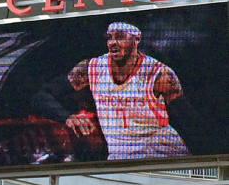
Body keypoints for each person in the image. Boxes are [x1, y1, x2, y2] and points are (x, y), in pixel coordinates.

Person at [65, 22, 190, 160]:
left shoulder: (158, 73)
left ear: (136, 40)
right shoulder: (92, 68)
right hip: (120, 156)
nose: (112, 43)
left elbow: (188, 120)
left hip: (160, 154)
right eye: (109, 37)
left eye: (120, 37)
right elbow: (44, 95)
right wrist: (68, 116)